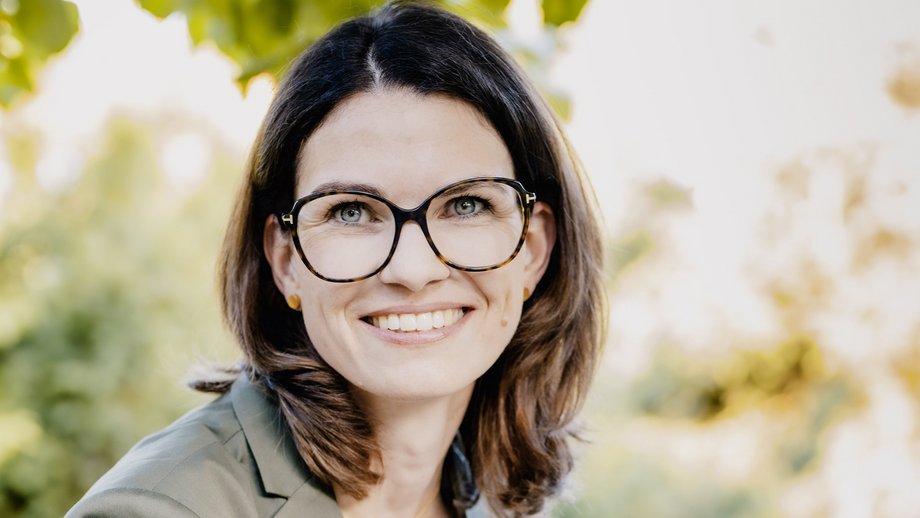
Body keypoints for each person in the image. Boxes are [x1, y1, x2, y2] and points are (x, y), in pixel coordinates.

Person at [67, 1, 605, 516]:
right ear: (285, 260)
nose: (413, 271)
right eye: (351, 212)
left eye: (466, 205)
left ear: (534, 250)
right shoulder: (156, 511)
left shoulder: (490, 504)